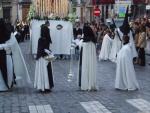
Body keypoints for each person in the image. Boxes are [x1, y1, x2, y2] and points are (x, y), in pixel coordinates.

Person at [0, 18, 31, 91]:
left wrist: (2, 46)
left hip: (7, 57)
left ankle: (7, 85)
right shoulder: (10, 34)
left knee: (8, 73)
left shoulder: (9, 35)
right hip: (6, 57)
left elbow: (10, 45)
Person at [34, 20, 54, 92]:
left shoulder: (42, 39)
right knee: (45, 72)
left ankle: (45, 86)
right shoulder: (43, 39)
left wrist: (48, 51)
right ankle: (45, 87)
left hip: (44, 58)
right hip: (43, 58)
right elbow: (42, 49)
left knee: (45, 72)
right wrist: (48, 52)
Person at [78, 23, 97, 91]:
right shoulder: (92, 42)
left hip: (85, 62)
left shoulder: (84, 43)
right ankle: (91, 83)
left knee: (85, 68)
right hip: (91, 62)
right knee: (91, 68)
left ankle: (85, 83)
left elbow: (79, 47)